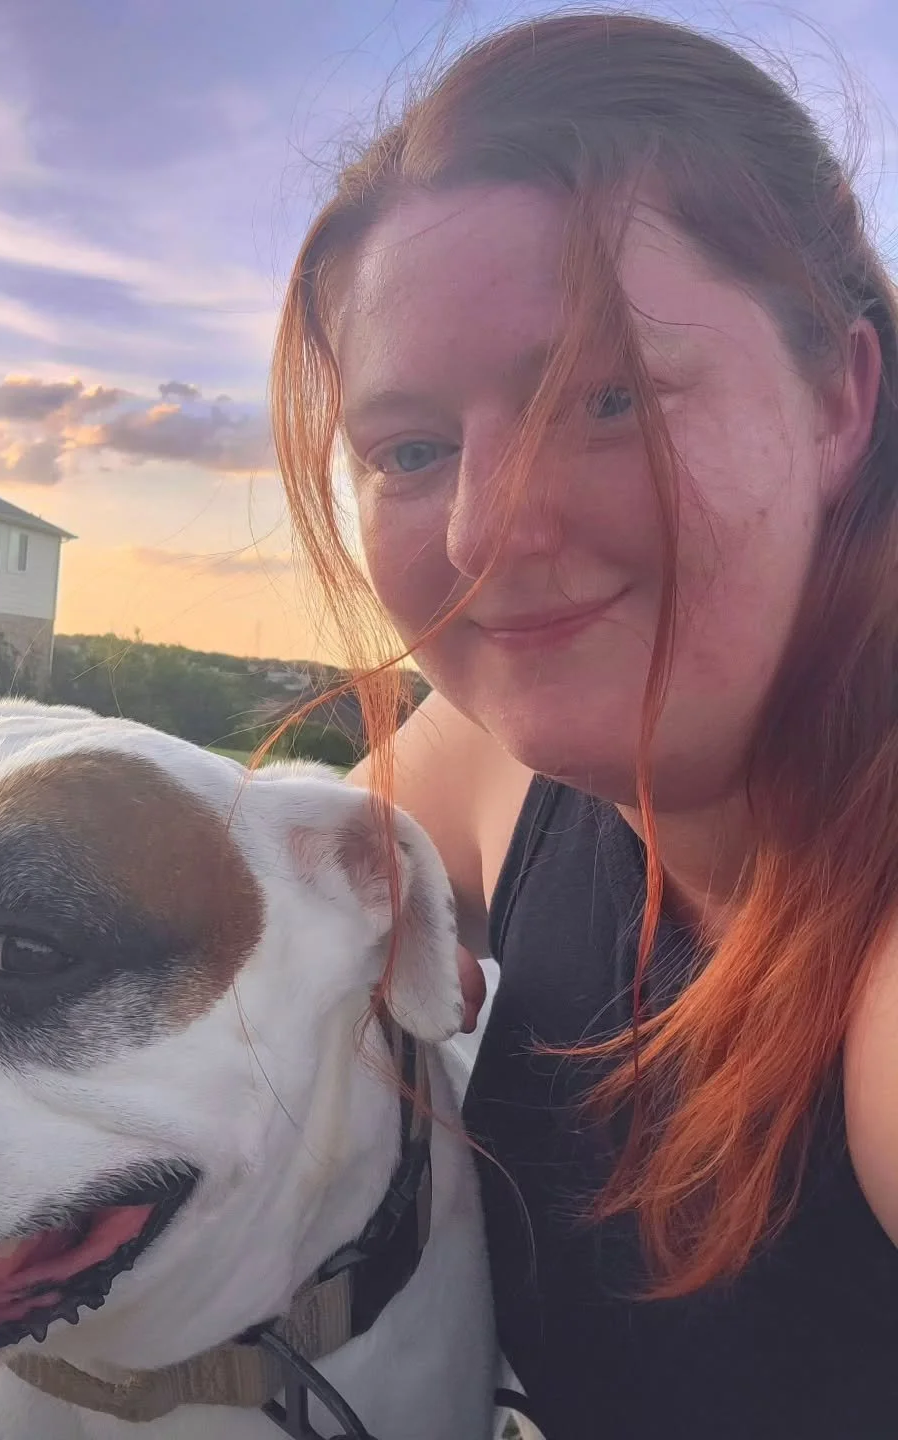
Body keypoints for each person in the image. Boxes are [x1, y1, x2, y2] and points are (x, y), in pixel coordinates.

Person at [270, 12, 898, 1439]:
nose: (493, 531)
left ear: (839, 398)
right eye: (413, 450)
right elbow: (228, 909)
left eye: (607, 398)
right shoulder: (501, 757)